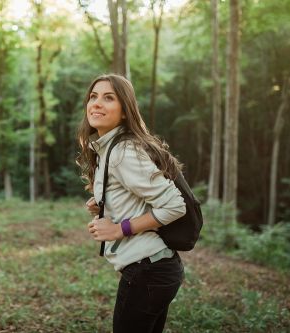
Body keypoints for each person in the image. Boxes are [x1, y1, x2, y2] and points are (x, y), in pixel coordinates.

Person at [77, 74, 186, 333]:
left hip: (148, 270)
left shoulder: (123, 152)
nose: (97, 103)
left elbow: (174, 206)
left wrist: (119, 229)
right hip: (154, 269)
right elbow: (141, 196)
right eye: (93, 97)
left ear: (125, 111)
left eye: (108, 98)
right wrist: (105, 204)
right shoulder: (110, 148)